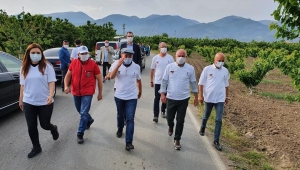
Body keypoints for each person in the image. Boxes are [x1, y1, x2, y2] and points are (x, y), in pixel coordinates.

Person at [19, 43, 59, 158]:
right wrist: (20, 99)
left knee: (45, 124)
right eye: (33, 53)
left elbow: (51, 82)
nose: (35, 55)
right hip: (28, 102)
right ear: (28, 54)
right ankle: (36, 147)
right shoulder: (24, 68)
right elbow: (22, 85)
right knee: (31, 126)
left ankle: (53, 128)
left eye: (38, 53)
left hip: (44, 102)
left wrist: (51, 95)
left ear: (41, 54)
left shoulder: (47, 66)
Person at [160, 49, 198, 150]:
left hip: (183, 98)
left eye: (183, 56)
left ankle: (177, 139)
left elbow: (193, 83)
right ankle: (171, 126)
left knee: (180, 120)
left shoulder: (190, 69)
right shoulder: (170, 67)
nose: (181, 57)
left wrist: (196, 96)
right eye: (179, 55)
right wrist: (162, 94)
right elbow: (164, 81)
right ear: (175, 56)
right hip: (171, 97)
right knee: (169, 118)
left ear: (186, 57)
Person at [64, 46, 103, 144]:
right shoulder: (74, 63)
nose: (84, 55)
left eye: (86, 53)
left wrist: (100, 93)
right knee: (79, 110)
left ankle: (80, 133)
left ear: (88, 54)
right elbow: (68, 75)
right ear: (78, 55)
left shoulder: (93, 64)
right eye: (82, 54)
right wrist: (66, 86)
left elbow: (99, 80)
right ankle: (89, 120)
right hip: (76, 91)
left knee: (84, 112)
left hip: (88, 92)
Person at [110, 48, 142, 151]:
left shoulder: (136, 67)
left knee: (130, 119)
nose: (127, 58)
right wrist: (118, 65)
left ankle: (129, 142)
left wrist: (140, 91)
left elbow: (138, 80)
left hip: (132, 97)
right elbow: (111, 77)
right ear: (121, 55)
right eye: (125, 55)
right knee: (120, 115)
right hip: (119, 96)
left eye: (130, 56)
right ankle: (120, 128)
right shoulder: (115, 64)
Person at [198, 52, 229, 151]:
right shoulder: (207, 69)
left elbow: (226, 85)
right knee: (206, 115)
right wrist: (200, 95)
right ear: (214, 60)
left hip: (220, 98)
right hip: (209, 97)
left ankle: (216, 140)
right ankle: (203, 127)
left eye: (222, 61)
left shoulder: (225, 71)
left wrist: (226, 96)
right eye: (219, 60)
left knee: (219, 120)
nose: (221, 62)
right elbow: (201, 83)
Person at [150, 42, 174, 123]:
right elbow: (152, 70)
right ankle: (155, 115)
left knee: (165, 98)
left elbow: (173, 70)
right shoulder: (155, 58)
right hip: (158, 81)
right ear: (159, 48)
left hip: (167, 82)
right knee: (157, 98)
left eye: (165, 47)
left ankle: (163, 110)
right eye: (162, 47)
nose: (164, 48)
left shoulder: (170, 58)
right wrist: (151, 80)